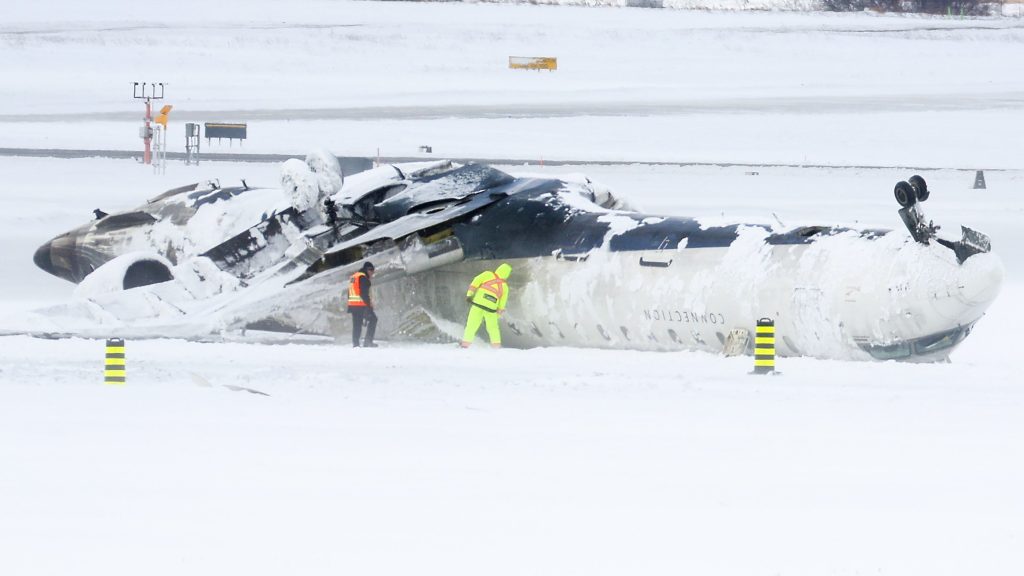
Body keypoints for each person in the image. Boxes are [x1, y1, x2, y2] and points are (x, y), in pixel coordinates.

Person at [461, 263, 512, 348]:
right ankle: (496, 346)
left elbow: (475, 282)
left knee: (471, 325)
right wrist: (498, 314)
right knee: (493, 328)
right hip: (491, 309)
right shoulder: (505, 287)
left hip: (478, 304)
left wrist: (469, 294)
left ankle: (465, 345)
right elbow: (502, 303)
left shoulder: (487, 274)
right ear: (507, 274)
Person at [347, 261, 377, 348]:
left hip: (353, 305)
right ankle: (368, 341)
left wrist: (350, 305)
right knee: (373, 319)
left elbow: (349, 292)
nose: (372, 275)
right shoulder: (363, 278)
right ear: (368, 270)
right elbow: (364, 294)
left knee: (357, 324)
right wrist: (369, 306)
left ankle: (355, 343)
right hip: (361, 305)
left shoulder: (354, 277)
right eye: (372, 272)